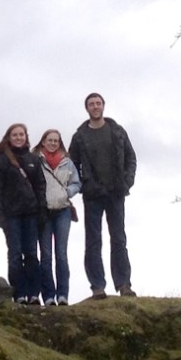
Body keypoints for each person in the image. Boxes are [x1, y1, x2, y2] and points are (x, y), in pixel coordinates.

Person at [68, 92, 137, 298]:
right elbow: (72, 166)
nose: (95, 107)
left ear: (103, 106)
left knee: (118, 239)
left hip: (116, 192)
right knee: (93, 241)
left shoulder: (117, 131)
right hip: (92, 196)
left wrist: (127, 182)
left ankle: (124, 285)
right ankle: (97, 286)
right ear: (87, 108)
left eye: (98, 103)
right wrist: (84, 186)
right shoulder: (79, 136)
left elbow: (131, 158)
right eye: (91, 104)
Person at [0, 122, 47, 305]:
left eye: (21, 134)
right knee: (15, 255)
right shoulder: (1, 161)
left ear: (26, 137)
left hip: (31, 213)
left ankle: (34, 294)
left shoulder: (33, 159)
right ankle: (19, 293)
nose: (19, 137)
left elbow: (40, 187)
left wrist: (42, 211)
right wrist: (0, 215)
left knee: (31, 254)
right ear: (9, 137)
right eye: (15, 135)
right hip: (11, 215)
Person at [33, 128, 81, 307]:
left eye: (56, 140)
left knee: (61, 254)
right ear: (43, 142)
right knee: (45, 255)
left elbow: (77, 182)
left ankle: (63, 295)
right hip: (44, 212)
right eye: (49, 140)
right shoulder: (37, 161)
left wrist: (67, 192)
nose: (53, 143)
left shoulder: (67, 163)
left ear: (60, 143)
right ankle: (48, 296)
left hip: (63, 211)